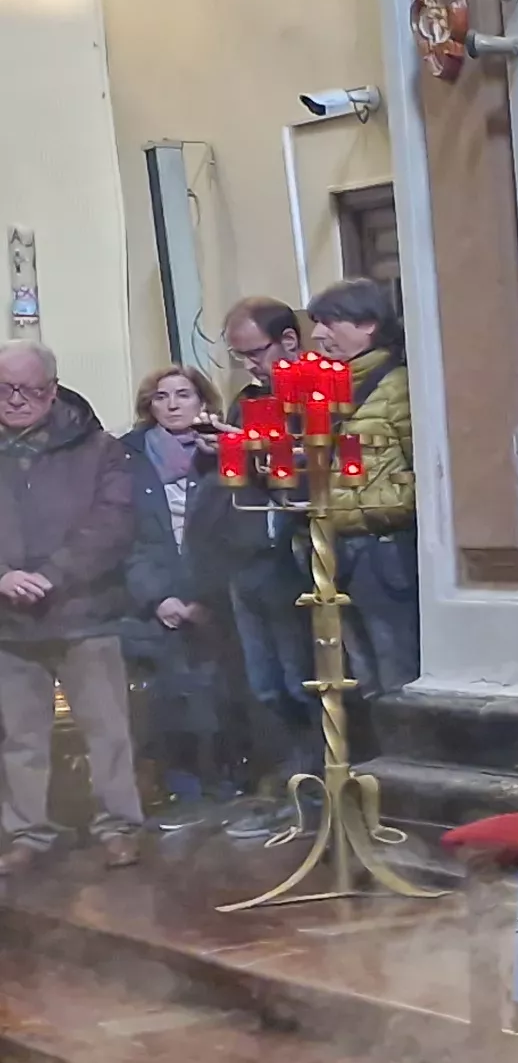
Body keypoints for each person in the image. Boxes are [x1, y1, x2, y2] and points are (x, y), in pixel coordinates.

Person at [0, 342, 150, 871]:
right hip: (8, 621)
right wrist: (4, 576)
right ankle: (27, 834)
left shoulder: (98, 448)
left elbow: (112, 522)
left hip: (86, 610)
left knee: (106, 729)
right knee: (19, 736)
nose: (16, 400)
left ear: (53, 388)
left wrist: (51, 574)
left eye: (29, 389)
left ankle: (119, 826)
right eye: (4, 388)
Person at [119, 366, 255, 818]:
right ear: (149, 405)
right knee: (167, 698)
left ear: (203, 402)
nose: (173, 404)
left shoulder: (224, 453)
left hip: (215, 596)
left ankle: (233, 783)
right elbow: (124, 539)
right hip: (155, 599)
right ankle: (181, 788)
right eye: (162, 396)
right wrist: (160, 599)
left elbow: (238, 531)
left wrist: (206, 598)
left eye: (183, 394)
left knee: (223, 693)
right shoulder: (127, 459)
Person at [213, 297, 316, 832]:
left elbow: (317, 468)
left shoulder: (316, 394)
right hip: (248, 554)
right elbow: (244, 475)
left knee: (303, 681)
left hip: (296, 555)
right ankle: (291, 784)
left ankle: (317, 789)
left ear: (289, 341)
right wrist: (227, 447)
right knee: (265, 685)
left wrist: (287, 458)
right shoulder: (249, 400)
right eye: (239, 356)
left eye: (254, 352)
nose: (249, 366)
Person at [305, 278, 418, 699]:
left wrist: (395, 501)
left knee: (395, 667)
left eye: (330, 323)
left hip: (383, 545)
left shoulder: (398, 386)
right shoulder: (327, 388)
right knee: (358, 673)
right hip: (337, 542)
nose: (318, 335)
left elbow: (425, 461)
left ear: (368, 324)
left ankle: (405, 755)